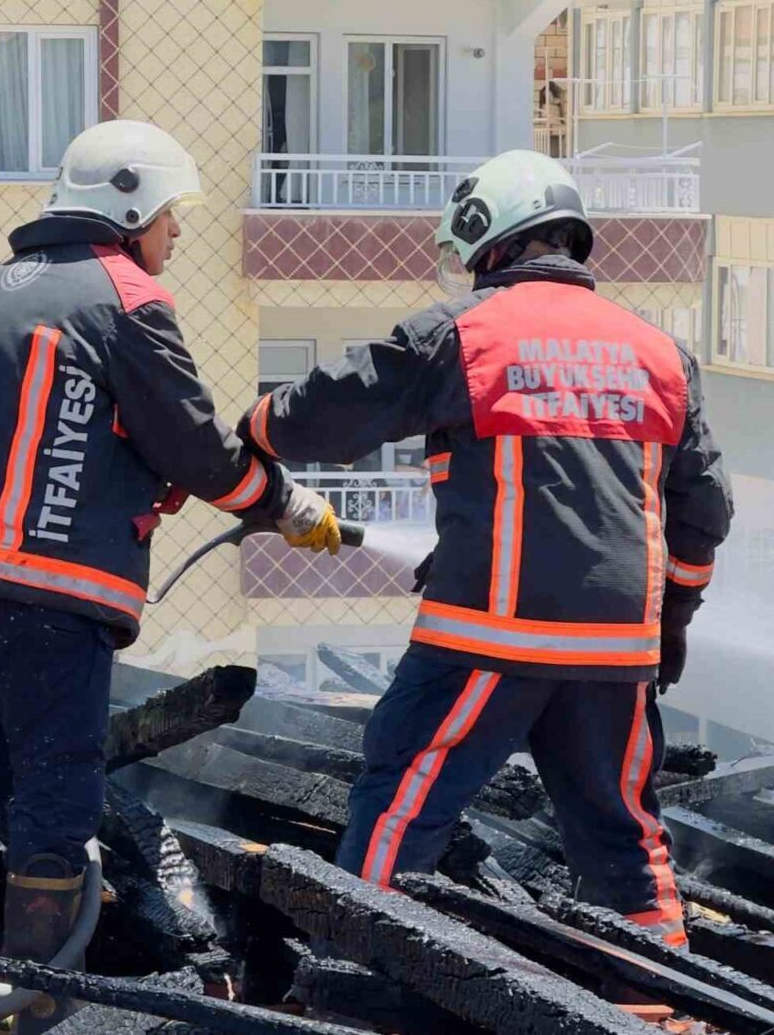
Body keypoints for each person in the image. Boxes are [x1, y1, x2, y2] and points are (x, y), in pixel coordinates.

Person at [239, 150, 733, 949]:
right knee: (623, 835)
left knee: (402, 799)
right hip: (617, 648)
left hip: (488, 634)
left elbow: (323, 416)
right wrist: (672, 619)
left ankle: (358, 971)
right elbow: (704, 508)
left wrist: (252, 432)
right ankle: (664, 992)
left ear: (491, 239)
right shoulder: (661, 353)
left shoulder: (462, 333)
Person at [0, 120, 339, 1031]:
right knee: (56, 787)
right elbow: (196, 446)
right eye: (171, 214)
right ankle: (40, 1008)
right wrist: (287, 502)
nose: (176, 232)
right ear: (130, 205)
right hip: (52, 591)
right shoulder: (127, 299)